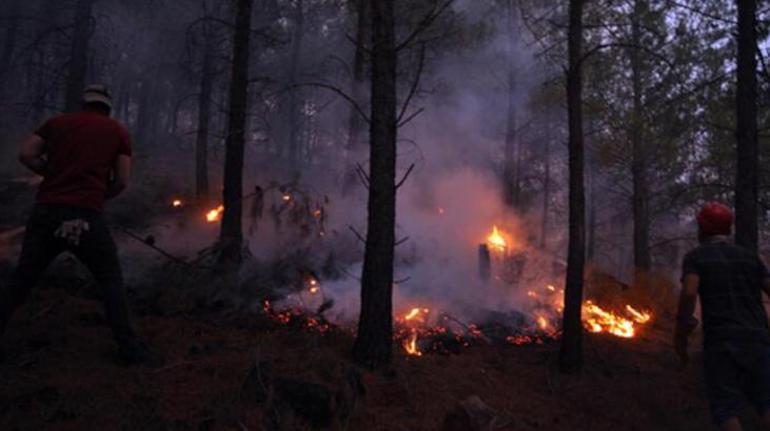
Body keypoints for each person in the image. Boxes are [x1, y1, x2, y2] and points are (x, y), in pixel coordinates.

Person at [0, 85, 158, 366]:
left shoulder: (57, 124)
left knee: (22, 279)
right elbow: (121, 181)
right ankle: (130, 350)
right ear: (107, 107)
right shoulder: (117, 132)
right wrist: (99, 194)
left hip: (47, 212)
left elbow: (26, 154)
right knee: (110, 281)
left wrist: (50, 173)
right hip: (86, 216)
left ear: (84, 104)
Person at [676, 202, 770, 431]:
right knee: (765, 402)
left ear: (702, 229)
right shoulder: (750, 257)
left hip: (722, 341)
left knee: (725, 408)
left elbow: (689, 291)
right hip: (758, 338)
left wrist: (683, 328)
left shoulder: (696, 257)